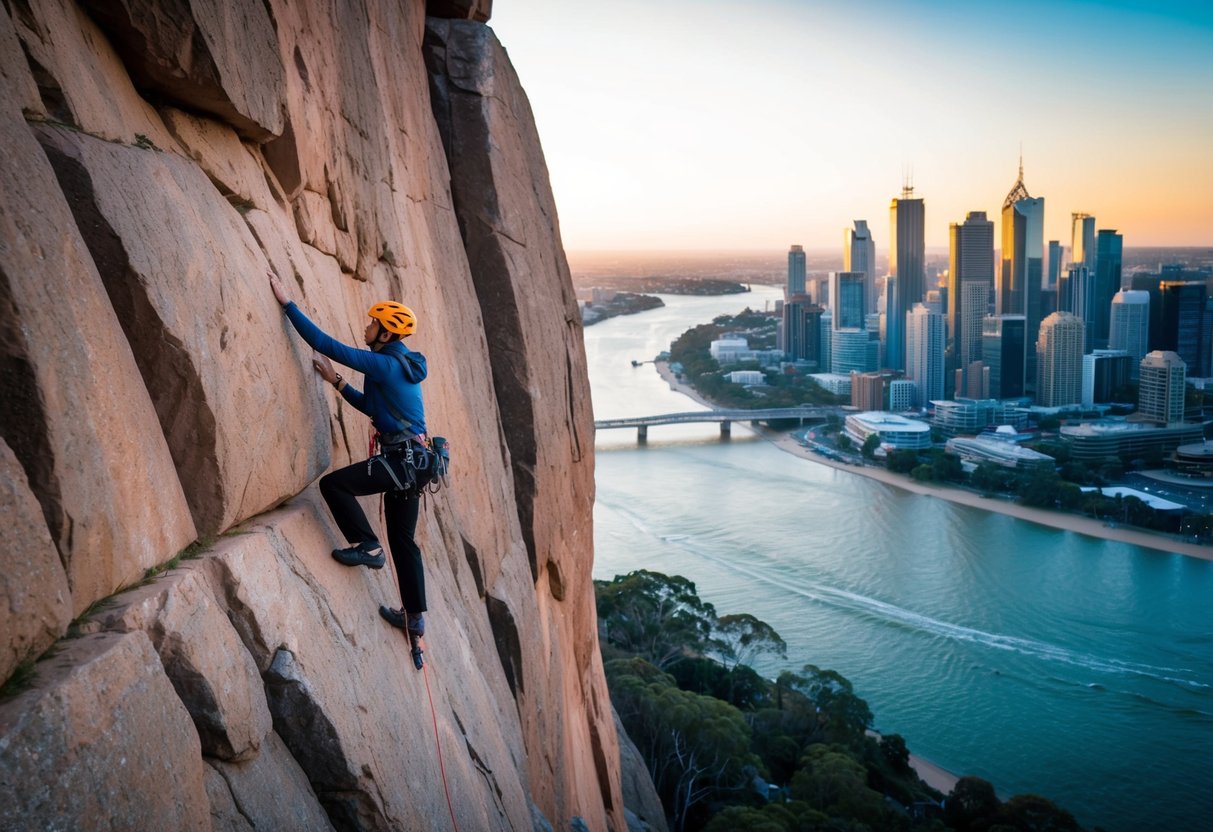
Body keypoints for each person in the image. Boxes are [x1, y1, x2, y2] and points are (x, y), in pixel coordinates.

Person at [268, 271, 430, 668]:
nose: (367, 326)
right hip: (414, 462)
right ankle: (415, 618)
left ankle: (368, 546)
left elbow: (326, 344)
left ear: (387, 334)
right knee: (404, 540)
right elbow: (376, 409)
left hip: (400, 461)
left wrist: (288, 303)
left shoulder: (385, 365)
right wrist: (337, 382)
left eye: (373, 322)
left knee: (335, 486)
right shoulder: (396, 363)